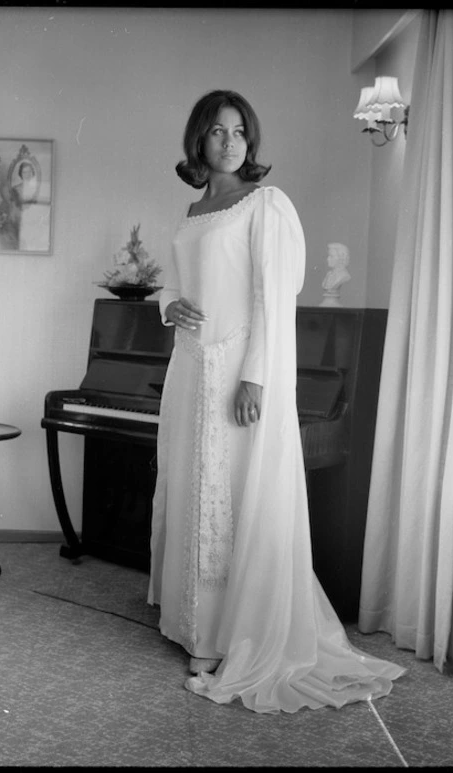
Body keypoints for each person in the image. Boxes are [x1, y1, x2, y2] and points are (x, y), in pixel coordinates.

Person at [148, 89, 406, 713]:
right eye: (216, 130)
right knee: (192, 490)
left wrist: (257, 377)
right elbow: (178, 286)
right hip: (190, 367)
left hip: (239, 366)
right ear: (198, 143)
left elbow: (274, 298)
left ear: (251, 141)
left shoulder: (267, 204)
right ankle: (193, 623)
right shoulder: (193, 209)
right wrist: (164, 306)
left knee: (233, 496)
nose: (229, 140)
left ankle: (226, 636)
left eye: (239, 130)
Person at [321, 242, 351, 306]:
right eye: (328, 256)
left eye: (331, 256)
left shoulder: (344, 276)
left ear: (341, 258)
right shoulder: (328, 275)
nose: (328, 259)